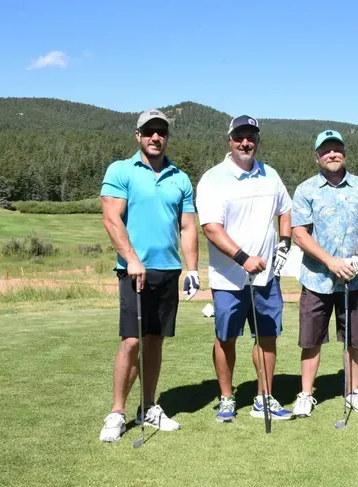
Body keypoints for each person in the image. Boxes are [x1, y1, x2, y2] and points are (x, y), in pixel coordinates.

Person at [99, 109, 199, 442]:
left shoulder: (179, 177)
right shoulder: (122, 170)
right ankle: (116, 412)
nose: (156, 137)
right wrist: (131, 259)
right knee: (131, 341)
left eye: (162, 132)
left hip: (168, 271)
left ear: (167, 136)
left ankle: (149, 406)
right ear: (138, 135)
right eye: (149, 131)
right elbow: (112, 218)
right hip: (133, 271)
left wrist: (193, 268)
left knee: (155, 341)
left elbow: (187, 226)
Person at [196, 115, 294, 423]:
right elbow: (211, 228)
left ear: (257, 140)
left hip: (266, 276)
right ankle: (227, 398)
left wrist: (285, 242)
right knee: (226, 337)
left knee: (267, 336)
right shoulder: (213, 179)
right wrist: (244, 258)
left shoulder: (270, 175)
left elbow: (285, 209)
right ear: (230, 140)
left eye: (251, 136)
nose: (245, 142)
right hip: (228, 277)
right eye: (240, 136)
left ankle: (263, 397)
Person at [291, 130, 358, 418]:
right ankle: (306, 394)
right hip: (316, 279)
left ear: (344, 153)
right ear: (317, 156)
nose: (332, 154)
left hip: (353, 280)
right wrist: (330, 261)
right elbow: (299, 234)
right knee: (311, 341)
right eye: (326, 150)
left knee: (353, 340)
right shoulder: (306, 189)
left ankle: (352, 392)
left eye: (337, 149)